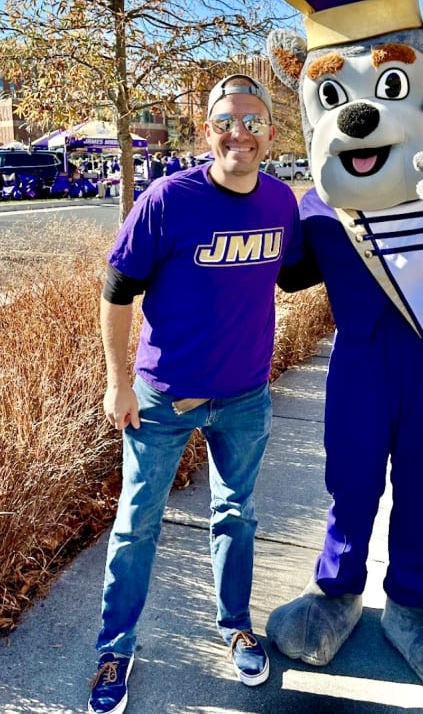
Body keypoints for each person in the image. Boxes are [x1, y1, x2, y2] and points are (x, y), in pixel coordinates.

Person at [88, 74, 302, 714]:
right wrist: (117, 382)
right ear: (207, 130)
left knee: (235, 516)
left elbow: (294, 274)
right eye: (226, 121)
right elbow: (116, 292)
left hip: (244, 399)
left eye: (252, 120)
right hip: (161, 397)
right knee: (136, 525)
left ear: (270, 130)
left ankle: (235, 626)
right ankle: (115, 649)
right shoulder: (166, 200)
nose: (239, 132)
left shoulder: (280, 204)